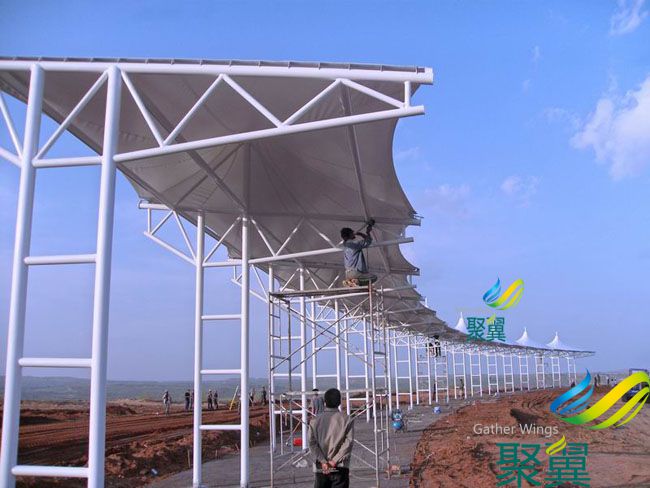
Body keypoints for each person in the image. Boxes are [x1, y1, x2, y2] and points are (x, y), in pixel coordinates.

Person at [308, 388, 354, 488]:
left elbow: (312, 443)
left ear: (325, 401)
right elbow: (348, 443)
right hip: (340, 466)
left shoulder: (315, 420)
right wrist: (333, 461)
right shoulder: (347, 419)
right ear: (339, 402)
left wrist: (323, 461)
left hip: (321, 467)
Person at [340, 220, 376, 287]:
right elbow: (368, 241)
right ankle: (356, 281)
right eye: (352, 232)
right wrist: (366, 233)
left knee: (358, 284)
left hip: (348, 273)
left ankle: (350, 281)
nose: (353, 233)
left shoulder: (345, 245)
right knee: (373, 278)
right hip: (356, 272)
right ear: (350, 234)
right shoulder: (354, 244)